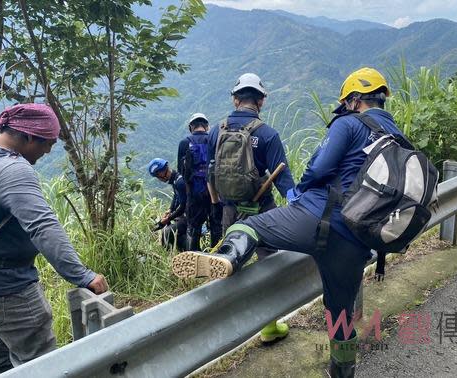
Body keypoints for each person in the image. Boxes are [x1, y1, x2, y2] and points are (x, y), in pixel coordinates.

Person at [172, 68, 408, 377]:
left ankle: (227, 256)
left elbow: (319, 167)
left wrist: (304, 188)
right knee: (341, 315)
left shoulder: (348, 124)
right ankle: (343, 371)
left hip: (315, 218)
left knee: (250, 228)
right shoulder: (399, 138)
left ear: (353, 100)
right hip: (357, 239)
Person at [0, 103, 108, 377]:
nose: (48, 152)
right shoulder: (12, 170)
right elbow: (43, 227)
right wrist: (82, 275)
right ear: (29, 136)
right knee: (38, 363)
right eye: (48, 143)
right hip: (10, 290)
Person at [195, 73, 295, 343]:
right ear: (260, 101)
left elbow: (210, 175)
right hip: (261, 210)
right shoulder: (267, 134)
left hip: (229, 210)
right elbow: (284, 182)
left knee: (232, 264)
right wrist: (301, 205)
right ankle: (270, 327)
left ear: (235, 99)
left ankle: (230, 330)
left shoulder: (216, 130)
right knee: (270, 264)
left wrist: (217, 207)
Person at [176, 113, 222, 251]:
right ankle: (217, 257)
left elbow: (180, 170)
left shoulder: (184, 143)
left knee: (194, 227)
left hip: (194, 193)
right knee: (216, 225)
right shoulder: (213, 140)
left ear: (191, 127)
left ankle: (193, 258)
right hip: (214, 193)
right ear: (206, 126)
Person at [148, 158, 187, 251]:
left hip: (191, 217)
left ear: (161, 173)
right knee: (171, 232)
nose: (158, 179)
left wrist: (168, 219)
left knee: (167, 234)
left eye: (157, 176)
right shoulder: (175, 180)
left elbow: (183, 206)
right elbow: (176, 197)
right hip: (186, 215)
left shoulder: (180, 182)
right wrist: (170, 210)